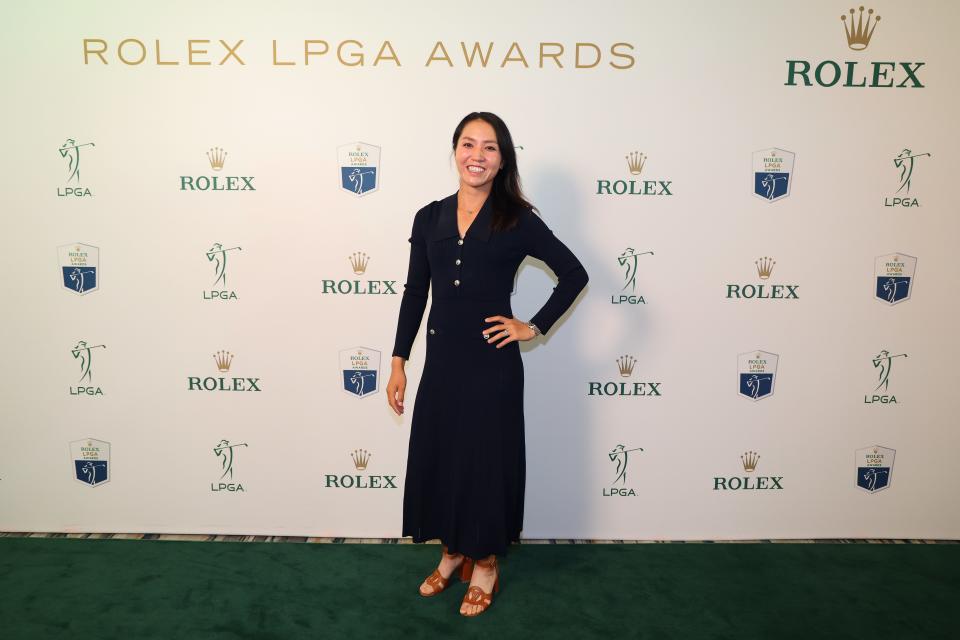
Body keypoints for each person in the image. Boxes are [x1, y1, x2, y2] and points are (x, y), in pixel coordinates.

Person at [387, 112, 588, 617]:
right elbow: (416, 292)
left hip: (492, 366)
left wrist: (532, 326)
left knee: (484, 462)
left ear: (503, 159)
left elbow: (574, 273)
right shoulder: (428, 217)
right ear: (454, 150)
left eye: (490, 147)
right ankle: (452, 552)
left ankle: (486, 564)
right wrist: (398, 360)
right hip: (442, 363)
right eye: (468, 144)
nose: (477, 155)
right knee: (444, 455)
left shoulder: (516, 219)